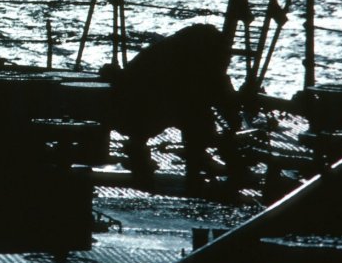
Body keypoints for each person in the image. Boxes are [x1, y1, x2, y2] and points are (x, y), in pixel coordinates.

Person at [101, 23, 245, 192]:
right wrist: (232, 117)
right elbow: (218, 95)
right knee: (197, 120)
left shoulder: (166, 52)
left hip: (133, 109)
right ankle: (196, 171)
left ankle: (187, 163)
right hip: (142, 111)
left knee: (195, 116)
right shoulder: (196, 63)